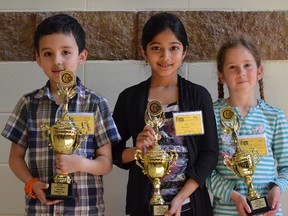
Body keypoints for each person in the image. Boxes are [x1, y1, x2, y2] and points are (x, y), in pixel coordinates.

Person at [1, 14, 120, 215]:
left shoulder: (95, 103)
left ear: (81, 57)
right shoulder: (29, 103)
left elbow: (106, 163)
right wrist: (31, 183)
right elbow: (15, 158)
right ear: (38, 59)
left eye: (66, 52)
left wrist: (79, 163)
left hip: (84, 210)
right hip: (40, 209)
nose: (57, 61)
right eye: (48, 54)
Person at [112, 12, 218, 216]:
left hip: (190, 206)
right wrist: (137, 151)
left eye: (174, 48)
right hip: (144, 207)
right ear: (144, 52)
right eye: (156, 48)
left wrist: (180, 198)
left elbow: (210, 153)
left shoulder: (198, 96)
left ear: (184, 51)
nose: (165, 57)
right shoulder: (130, 98)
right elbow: (112, 152)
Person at [206, 37, 288, 216]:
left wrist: (277, 188)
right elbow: (204, 169)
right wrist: (232, 195)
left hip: (267, 212)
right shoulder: (210, 115)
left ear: (259, 72)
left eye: (247, 65)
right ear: (222, 76)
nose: (241, 72)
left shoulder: (274, 116)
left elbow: (286, 166)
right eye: (232, 67)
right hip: (225, 212)